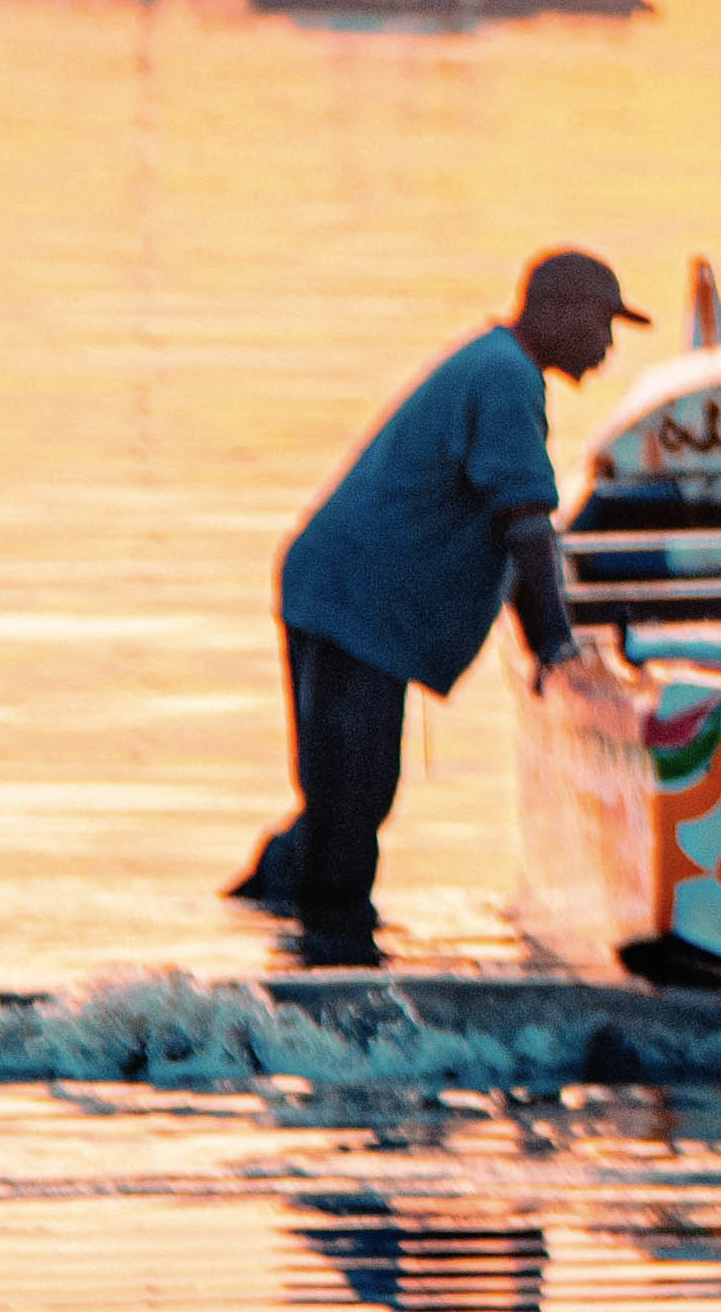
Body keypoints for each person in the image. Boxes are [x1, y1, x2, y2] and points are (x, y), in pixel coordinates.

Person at [242, 249, 629, 961]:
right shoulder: (508, 380)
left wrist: (549, 636)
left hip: (343, 596)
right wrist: (559, 654)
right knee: (353, 809)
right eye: (605, 324)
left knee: (346, 800)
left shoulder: (495, 365)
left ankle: (265, 929)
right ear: (561, 311)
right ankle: (330, 977)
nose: (608, 347)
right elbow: (527, 529)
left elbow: (518, 542)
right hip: (352, 603)